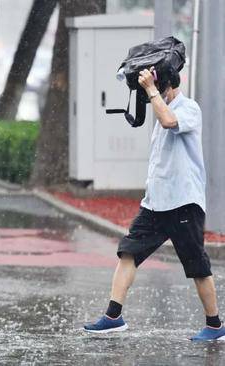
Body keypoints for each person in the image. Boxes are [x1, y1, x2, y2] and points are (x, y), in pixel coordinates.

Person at [84, 66, 224, 341]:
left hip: (183, 202)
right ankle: (113, 317)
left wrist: (151, 90)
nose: (153, 96)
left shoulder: (189, 108)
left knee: (197, 265)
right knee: (128, 252)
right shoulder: (159, 107)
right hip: (155, 204)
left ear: (169, 87)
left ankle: (216, 325)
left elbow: (170, 121)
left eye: (158, 91)